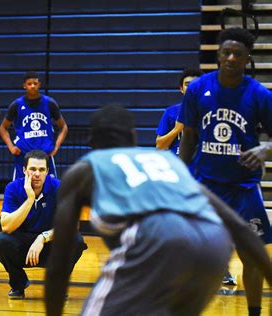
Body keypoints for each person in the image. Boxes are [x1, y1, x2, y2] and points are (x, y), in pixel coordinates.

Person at [44, 105, 272, 316]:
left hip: (156, 237)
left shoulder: (85, 167)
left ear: (91, 142)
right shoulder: (166, 161)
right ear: (133, 137)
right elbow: (239, 228)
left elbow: (60, 260)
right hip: (215, 244)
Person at [179, 27, 272, 316]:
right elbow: (189, 137)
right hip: (206, 185)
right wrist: (182, 178)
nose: (231, 58)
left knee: (252, 257)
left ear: (247, 59)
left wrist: (264, 149)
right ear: (218, 54)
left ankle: (255, 312)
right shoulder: (197, 89)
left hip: (244, 188)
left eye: (238, 54)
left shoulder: (259, 94)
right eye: (226, 52)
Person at [0, 150, 86, 299]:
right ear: (24, 170)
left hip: (51, 244)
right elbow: (6, 226)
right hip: (23, 246)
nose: (37, 174)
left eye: (41, 170)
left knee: (76, 241)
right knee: (0, 242)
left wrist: (43, 238)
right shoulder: (13, 188)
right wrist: (29, 199)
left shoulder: (59, 187)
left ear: (48, 171)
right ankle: (18, 284)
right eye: (32, 169)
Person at [0, 71, 68, 179]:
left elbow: (63, 127)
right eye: (29, 84)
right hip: (24, 155)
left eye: (35, 83)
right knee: (20, 192)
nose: (32, 86)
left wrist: (56, 146)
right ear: (24, 85)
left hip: (45, 155)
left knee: (50, 191)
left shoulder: (49, 103)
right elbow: (3, 127)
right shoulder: (17, 105)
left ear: (39, 85)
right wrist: (11, 147)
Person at [156, 68, 203, 154]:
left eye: (195, 84)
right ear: (181, 88)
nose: (191, 88)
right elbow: (159, 146)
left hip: (202, 165)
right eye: (187, 84)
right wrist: (176, 129)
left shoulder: (211, 111)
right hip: (179, 164)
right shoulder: (170, 112)